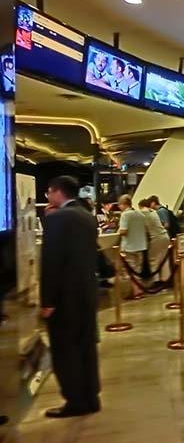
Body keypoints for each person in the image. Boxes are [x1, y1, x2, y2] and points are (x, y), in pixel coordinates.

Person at [40, 176, 101, 418]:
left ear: (56, 192)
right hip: (86, 294)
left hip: (65, 299)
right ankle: (91, 396)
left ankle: (75, 401)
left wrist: (48, 301)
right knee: (86, 346)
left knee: (65, 350)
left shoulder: (57, 219)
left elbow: (52, 263)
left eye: (49, 192)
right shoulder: (87, 215)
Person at [118, 194, 148, 299]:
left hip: (129, 247)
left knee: (129, 271)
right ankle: (139, 290)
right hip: (140, 245)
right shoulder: (140, 215)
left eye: (119, 204)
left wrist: (119, 231)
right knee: (138, 270)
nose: (119, 207)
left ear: (123, 204)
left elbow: (124, 231)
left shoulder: (125, 215)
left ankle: (134, 292)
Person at [138, 199, 171, 288]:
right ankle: (165, 280)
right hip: (165, 236)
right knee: (164, 260)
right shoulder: (153, 212)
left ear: (141, 206)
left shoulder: (143, 212)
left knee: (153, 260)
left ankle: (155, 281)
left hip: (156, 238)